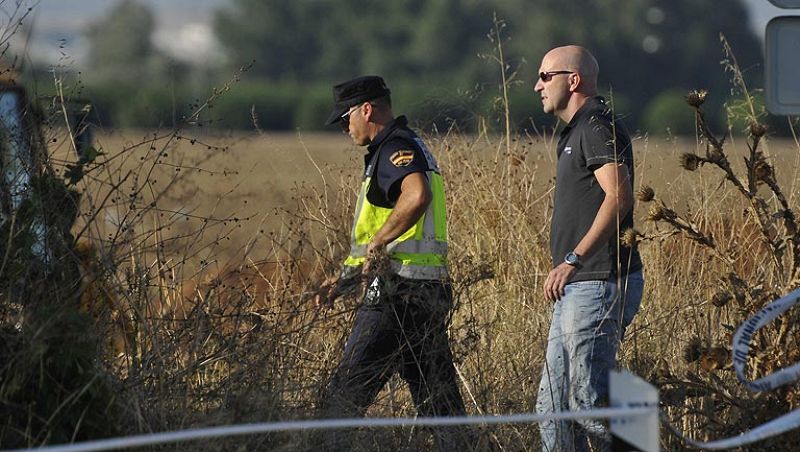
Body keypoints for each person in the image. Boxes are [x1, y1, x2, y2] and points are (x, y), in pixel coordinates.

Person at [315, 75, 468, 451]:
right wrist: (344, 279)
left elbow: (416, 196)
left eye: (345, 118)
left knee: (342, 398)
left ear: (366, 110)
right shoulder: (410, 145)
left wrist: (379, 242)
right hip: (426, 292)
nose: (344, 128)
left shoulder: (394, 149)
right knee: (440, 404)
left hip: (396, 294)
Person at [532, 46, 645, 451]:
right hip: (578, 285)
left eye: (545, 76)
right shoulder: (576, 130)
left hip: (597, 281)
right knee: (552, 407)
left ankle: (641, 437)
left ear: (573, 80)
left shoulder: (597, 125)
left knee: (587, 403)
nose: (537, 86)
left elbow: (619, 196)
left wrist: (573, 259)